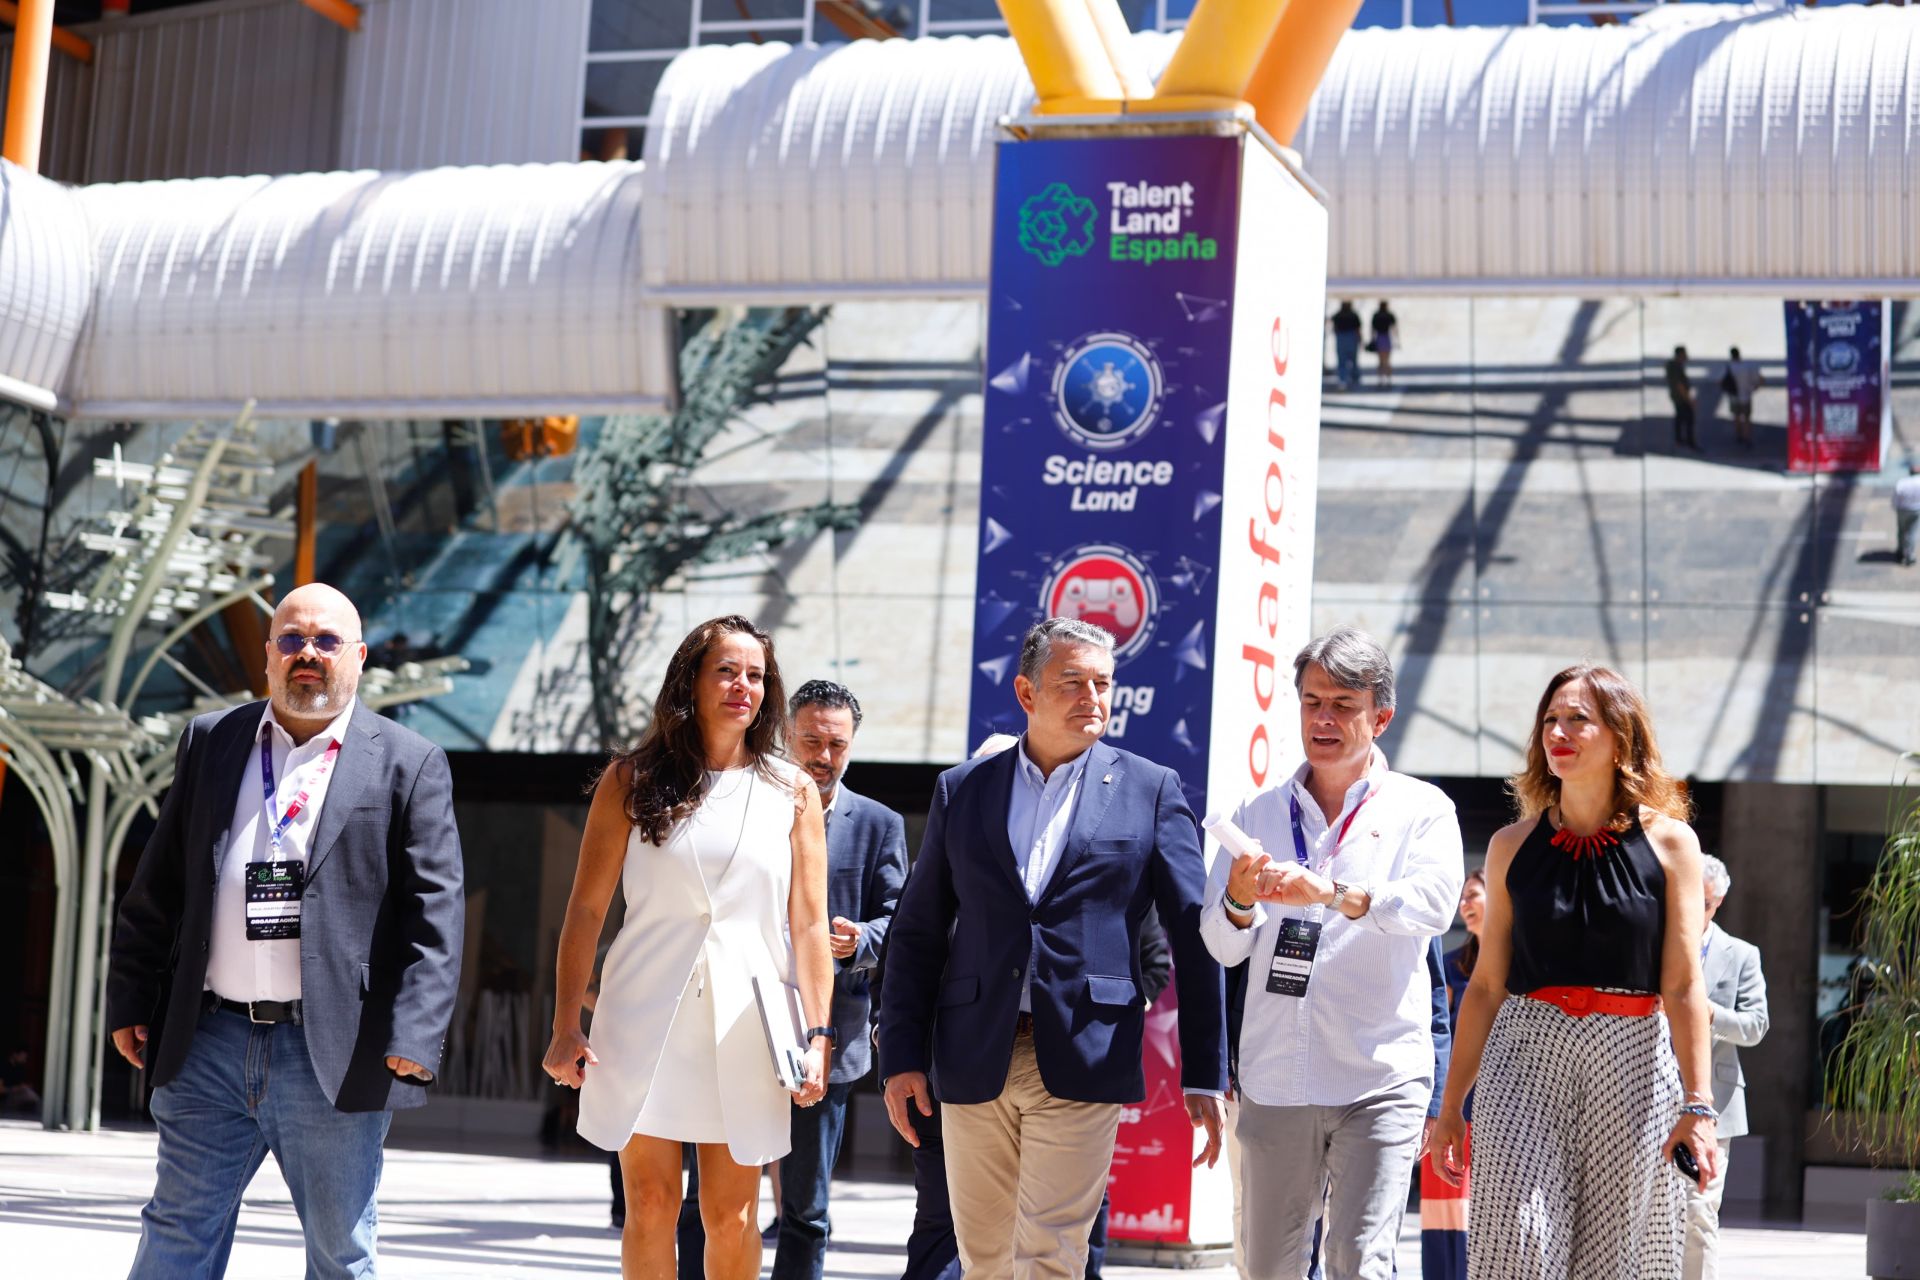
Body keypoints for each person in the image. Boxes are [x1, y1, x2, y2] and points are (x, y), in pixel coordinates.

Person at [106, 582, 466, 1279]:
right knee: (177, 1231)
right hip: (207, 1041)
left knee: (340, 1252)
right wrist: (130, 999)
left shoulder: (408, 762)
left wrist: (415, 1035)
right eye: (292, 640)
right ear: (269, 656)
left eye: (326, 641)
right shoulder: (212, 740)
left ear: (357, 657)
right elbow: (159, 886)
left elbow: (437, 915)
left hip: (331, 1053)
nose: (309, 654)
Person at [879, 617, 1227, 1280]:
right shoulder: (963, 790)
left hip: (1082, 1054)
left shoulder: (1150, 788)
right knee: (984, 1259)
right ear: (1026, 692)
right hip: (972, 1053)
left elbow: (1194, 932)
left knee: (1049, 1257)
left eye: (1103, 684)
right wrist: (899, 1056)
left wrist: (1205, 1070)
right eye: (1072, 682)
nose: (1092, 698)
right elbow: (918, 932)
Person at [543, 614, 834, 1280]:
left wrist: (817, 1034)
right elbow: (586, 910)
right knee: (649, 1203)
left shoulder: (791, 790)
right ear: (691, 682)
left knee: (731, 1215)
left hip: (747, 1027)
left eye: (756, 675)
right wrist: (565, 1024)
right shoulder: (630, 780)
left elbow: (811, 924)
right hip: (644, 1018)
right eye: (726, 671)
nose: (743, 687)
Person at [1431, 663, 1719, 1280]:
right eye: (1549, 721)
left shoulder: (1672, 844)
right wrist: (1451, 1106)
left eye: (1578, 720)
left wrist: (1699, 1106)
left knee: (1614, 1261)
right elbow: (1484, 985)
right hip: (1526, 1055)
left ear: (1621, 737)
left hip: (1633, 1061)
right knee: (1518, 1246)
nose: (1558, 732)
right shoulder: (1511, 844)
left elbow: (1685, 983)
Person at [1202, 626, 1464, 1280]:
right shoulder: (1255, 812)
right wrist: (1237, 900)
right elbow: (1220, 944)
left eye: (1342, 704)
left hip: (1380, 1076)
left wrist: (1337, 894)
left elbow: (1433, 905)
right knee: (1269, 1266)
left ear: (1381, 716)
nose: (1323, 718)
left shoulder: (1422, 810)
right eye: (1312, 701)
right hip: (1276, 1076)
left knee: (1358, 1259)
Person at [675, 678, 909, 1280]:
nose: (823, 757)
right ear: (785, 736)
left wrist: (860, 938)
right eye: (810, 741)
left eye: (837, 745)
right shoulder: (741, 804)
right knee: (709, 1197)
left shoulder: (878, 823)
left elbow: (902, 919)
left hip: (822, 1035)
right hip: (734, 1025)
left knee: (806, 1207)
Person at [1684, 855, 1770, 1280]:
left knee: (1698, 1213)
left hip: (1713, 1108)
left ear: (1715, 902)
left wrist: (1710, 1013)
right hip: (1646, 1096)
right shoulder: (1654, 943)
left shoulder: (1741, 955)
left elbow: (1756, 1025)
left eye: (1695, 900)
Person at [1420, 869, 1486, 1280]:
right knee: (1442, 1209)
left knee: (1478, 1214)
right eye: (1462, 897)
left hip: (1497, 1109)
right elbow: (1437, 1032)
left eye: (1474, 895)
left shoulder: (1521, 967)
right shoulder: (1450, 965)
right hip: (1452, 1105)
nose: (1465, 904)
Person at [1722, 348, 1764, 449]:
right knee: (1746, 418)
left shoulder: (1729, 367)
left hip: (1734, 397)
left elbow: (1721, 382)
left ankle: (1739, 436)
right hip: (1746, 396)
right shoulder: (1747, 366)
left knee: (1736, 417)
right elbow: (1761, 379)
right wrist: (1754, 388)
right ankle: (1746, 437)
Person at [1665, 347, 1698, 451]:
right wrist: (1689, 399)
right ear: (1680, 355)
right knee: (1689, 419)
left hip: (1677, 397)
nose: (1686, 356)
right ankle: (1689, 442)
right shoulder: (1675, 367)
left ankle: (1679, 439)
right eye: (1684, 354)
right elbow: (1680, 385)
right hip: (1681, 398)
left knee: (1680, 418)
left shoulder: (1673, 366)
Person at [1893, 459, 1920, 567]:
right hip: (1916, 510)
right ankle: (1910, 555)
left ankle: (1900, 551)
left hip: (1902, 510)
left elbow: (1895, 498)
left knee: (1902, 531)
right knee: (1912, 533)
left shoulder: (1902, 482)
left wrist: (1896, 507)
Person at [1332, 301, 1364, 391]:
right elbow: (1358, 329)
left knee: (1342, 361)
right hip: (1350, 338)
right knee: (1353, 360)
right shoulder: (1353, 315)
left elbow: (1334, 328)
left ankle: (1343, 380)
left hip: (1342, 338)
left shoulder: (1338, 315)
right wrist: (1360, 340)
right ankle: (1354, 379)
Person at [1370, 301, 1398, 386]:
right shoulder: (1389, 315)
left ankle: (1381, 379)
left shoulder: (1376, 315)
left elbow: (1372, 329)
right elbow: (1394, 328)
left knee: (1381, 361)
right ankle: (1388, 380)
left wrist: (1372, 339)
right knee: (1387, 360)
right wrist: (1397, 339)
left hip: (1380, 337)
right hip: (1386, 337)